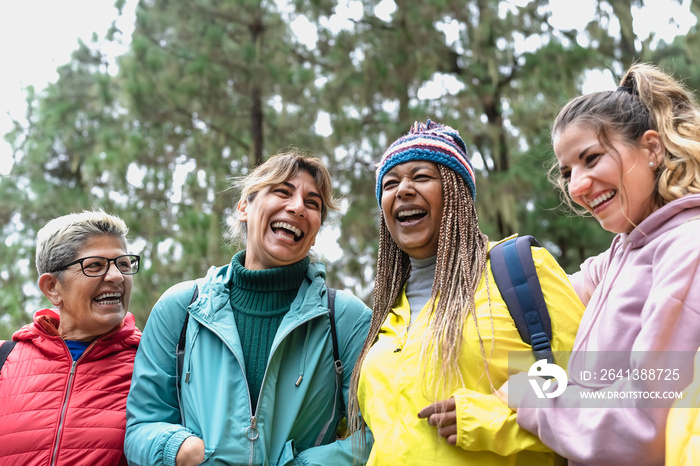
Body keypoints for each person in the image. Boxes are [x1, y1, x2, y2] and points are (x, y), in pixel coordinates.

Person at [346, 120, 584, 465]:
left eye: (422, 177)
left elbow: (591, 384)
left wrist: (490, 420)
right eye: (390, 183)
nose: (403, 190)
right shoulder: (387, 316)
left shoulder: (516, 271)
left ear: (456, 192)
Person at [497, 63, 700, 465]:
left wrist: (531, 396)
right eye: (568, 171)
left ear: (653, 149)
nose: (576, 187)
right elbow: (537, 295)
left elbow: (644, 423)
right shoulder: (620, 255)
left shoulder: (686, 249)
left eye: (591, 159)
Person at [125, 152, 373, 466]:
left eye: (312, 204)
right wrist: (180, 449)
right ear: (244, 207)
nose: (297, 207)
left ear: (315, 231)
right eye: (282, 192)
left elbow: (376, 430)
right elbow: (140, 426)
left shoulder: (346, 319)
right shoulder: (180, 308)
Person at [0, 210, 142, 465]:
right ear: (52, 287)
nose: (117, 276)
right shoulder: (3, 360)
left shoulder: (154, 366)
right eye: (95, 265)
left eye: (123, 264)